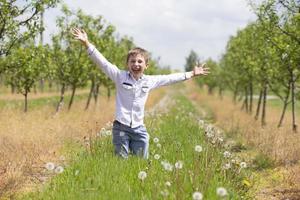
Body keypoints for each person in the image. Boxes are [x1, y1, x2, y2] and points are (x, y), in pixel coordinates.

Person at [71, 28, 209, 159]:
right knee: (121, 161)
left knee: (141, 162)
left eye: (139, 61)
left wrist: (191, 73)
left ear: (146, 65)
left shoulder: (149, 81)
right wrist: (86, 43)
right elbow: (103, 63)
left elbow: (169, 78)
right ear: (127, 64)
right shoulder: (120, 76)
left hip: (139, 129)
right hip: (121, 128)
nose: (136, 64)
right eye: (132, 61)